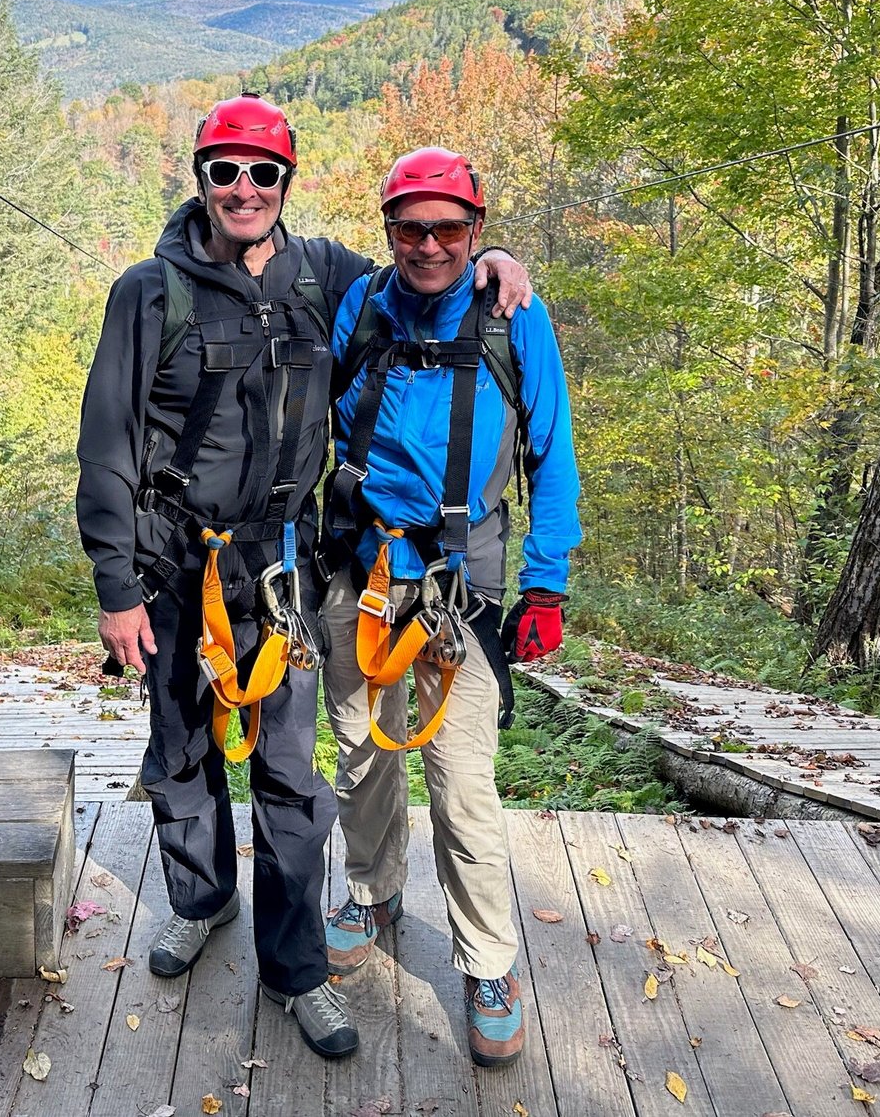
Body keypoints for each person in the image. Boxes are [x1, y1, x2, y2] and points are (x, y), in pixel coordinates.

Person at [75, 99, 532, 1060]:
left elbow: (425, 276)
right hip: (174, 563)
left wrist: (497, 261)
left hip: (284, 566)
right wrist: (116, 585)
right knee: (181, 750)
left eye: (264, 172)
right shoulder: (149, 292)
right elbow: (106, 443)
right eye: (226, 170)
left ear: (287, 182)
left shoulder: (324, 277)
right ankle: (201, 899)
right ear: (200, 179)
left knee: (288, 772)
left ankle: (295, 971)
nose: (244, 189)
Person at [318, 145, 580, 1068]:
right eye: (410, 227)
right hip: (361, 567)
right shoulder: (361, 303)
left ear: (476, 230)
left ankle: (489, 962)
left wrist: (546, 580)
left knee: (461, 780)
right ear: (388, 229)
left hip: (460, 583)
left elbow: (551, 452)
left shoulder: (513, 317)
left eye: (450, 229)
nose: (429, 245)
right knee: (362, 752)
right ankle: (372, 890)